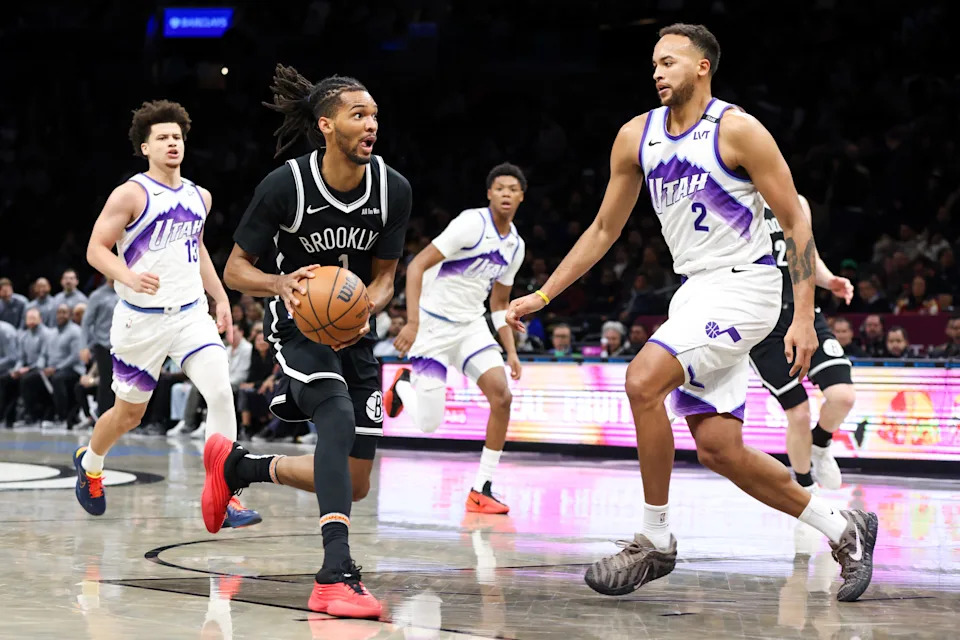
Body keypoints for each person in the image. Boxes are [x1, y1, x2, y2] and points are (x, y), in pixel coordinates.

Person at [506, 23, 876, 602]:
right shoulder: (636, 136)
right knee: (719, 449)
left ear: (703, 66)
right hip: (695, 291)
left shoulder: (738, 130)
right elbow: (603, 229)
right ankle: (844, 528)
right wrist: (543, 294)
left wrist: (804, 316)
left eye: (670, 61)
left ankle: (654, 538)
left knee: (642, 380)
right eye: (654, 63)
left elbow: (795, 222)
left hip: (748, 286)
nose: (658, 72)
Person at [208, 65, 412, 618]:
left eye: (374, 115)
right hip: (298, 323)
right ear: (326, 125)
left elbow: (386, 277)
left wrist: (369, 305)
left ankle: (240, 468)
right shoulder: (286, 185)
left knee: (356, 481)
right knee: (336, 418)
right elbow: (235, 269)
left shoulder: (392, 188)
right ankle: (334, 573)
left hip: (356, 331)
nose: (371, 124)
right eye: (358, 115)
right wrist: (279, 284)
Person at [72, 100, 260, 530]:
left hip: (191, 315)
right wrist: (128, 276)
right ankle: (91, 463)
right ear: (145, 147)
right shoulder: (131, 194)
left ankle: (225, 491)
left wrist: (220, 298)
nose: (172, 143)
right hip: (141, 321)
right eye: (162, 138)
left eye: (177, 136)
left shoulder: (200, 196)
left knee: (221, 393)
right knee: (128, 415)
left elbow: (197, 251)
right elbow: (96, 249)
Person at [386, 162, 527, 514]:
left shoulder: (516, 246)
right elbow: (416, 265)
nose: (506, 193)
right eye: (500, 188)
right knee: (429, 424)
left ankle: (482, 488)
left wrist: (510, 351)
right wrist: (412, 322)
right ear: (489, 193)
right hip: (432, 326)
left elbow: (499, 304)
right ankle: (402, 385)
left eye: (513, 189)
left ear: (521, 197)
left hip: (470, 328)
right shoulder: (471, 223)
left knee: (502, 397)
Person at [748, 195, 856, 498]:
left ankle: (820, 443)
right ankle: (806, 490)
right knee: (798, 412)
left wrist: (829, 280)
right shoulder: (733, 198)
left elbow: (806, 256)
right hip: (763, 323)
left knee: (843, 396)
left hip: (802, 313)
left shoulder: (797, 202)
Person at [79, 278, 118, 416]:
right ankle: (104, 417)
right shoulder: (97, 296)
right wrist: (83, 346)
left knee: (124, 384)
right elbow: (86, 322)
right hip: (103, 344)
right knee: (106, 382)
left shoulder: (128, 292)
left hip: (124, 345)